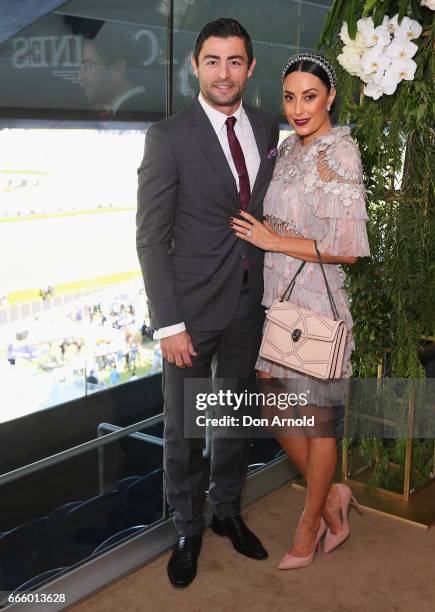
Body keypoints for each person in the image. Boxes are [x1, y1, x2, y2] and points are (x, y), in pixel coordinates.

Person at [136, 18, 279, 588]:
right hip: (189, 313)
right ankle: (187, 527)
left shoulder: (269, 128)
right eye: (213, 61)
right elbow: (150, 237)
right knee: (186, 430)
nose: (224, 72)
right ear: (195, 65)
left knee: (234, 418)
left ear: (250, 67)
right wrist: (167, 323)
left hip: (250, 303)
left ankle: (226, 511)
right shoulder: (167, 137)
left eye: (235, 61)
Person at [230, 52, 370, 570]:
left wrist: (274, 241)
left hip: (317, 304)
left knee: (317, 425)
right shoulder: (288, 150)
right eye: (290, 97)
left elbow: (349, 248)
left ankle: (310, 525)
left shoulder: (342, 154)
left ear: (330, 97)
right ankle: (333, 500)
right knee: (274, 409)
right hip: (280, 302)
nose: (298, 107)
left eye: (309, 96)